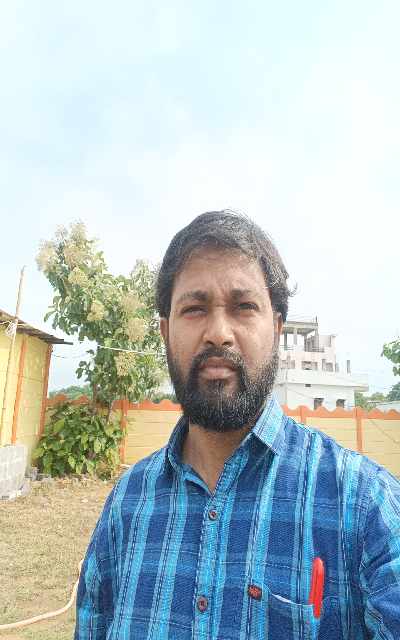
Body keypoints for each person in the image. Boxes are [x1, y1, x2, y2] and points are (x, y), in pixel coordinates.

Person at [75, 210, 400, 639]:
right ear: (165, 332)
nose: (218, 333)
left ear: (277, 328)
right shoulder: (126, 504)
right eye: (195, 308)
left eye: (244, 307)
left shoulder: (365, 504)